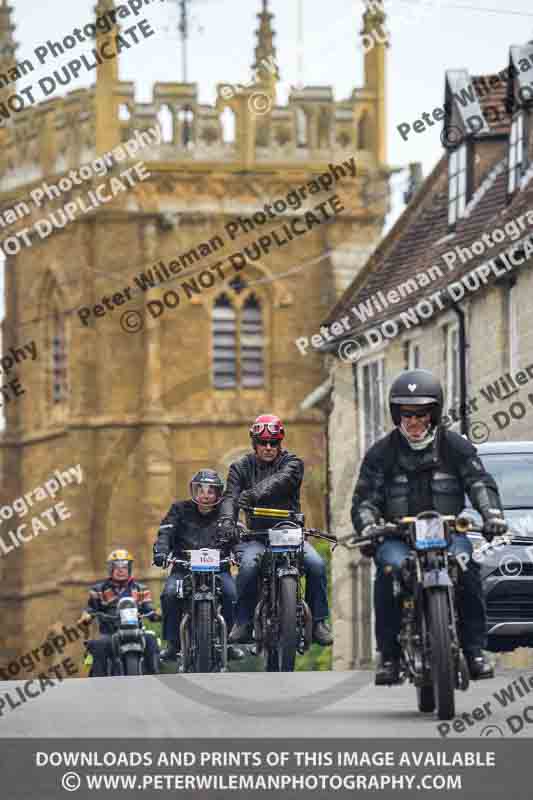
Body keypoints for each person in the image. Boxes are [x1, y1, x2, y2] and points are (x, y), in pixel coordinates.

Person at [351, 369, 507, 686]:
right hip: (398, 536)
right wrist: (368, 525)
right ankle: (390, 656)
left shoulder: (455, 446)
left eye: (421, 414)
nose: (413, 421)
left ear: (433, 414)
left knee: (467, 566)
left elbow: (479, 482)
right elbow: (365, 499)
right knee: (389, 570)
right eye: (406, 414)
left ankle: (475, 650)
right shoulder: (381, 453)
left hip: (449, 533)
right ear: (397, 415)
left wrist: (492, 514)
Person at [218, 414, 333, 647]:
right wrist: (228, 522)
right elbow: (230, 497)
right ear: (255, 444)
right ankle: (243, 622)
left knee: (317, 565)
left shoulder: (293, 463)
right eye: (263, 442)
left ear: (280, 444)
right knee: (248, 566)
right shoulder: (239, 468)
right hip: (257, 536)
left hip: (290, 534)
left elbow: (282, 480)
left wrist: (253, 494)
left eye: (274, 443)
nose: (269, 447)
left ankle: (319, 623)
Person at [153, 469, 242, 661]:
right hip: (183, 569)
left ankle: (230, 641)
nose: (205, 495)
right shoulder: (178, 509)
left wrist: (239, 553)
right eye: (200, 490)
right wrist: (160, 551)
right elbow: (165, 532)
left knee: (232, 594)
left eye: (210, 491)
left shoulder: (227, 513)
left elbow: (238, 537)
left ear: (218, 493)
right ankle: (172, 643)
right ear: (193, 491)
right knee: (168, 594)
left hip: (219, 568)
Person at [79, 549, 160, 676]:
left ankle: (154, 677)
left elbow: (148, 607)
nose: (121, 570)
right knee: (98, 646)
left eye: (124, 566)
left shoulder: (141, 589)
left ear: (129, 568)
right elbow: (90, 609)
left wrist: (156, 614)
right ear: (110, 569)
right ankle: (99, 685)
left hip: (137, 631)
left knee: (151, 640)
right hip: (109, 633)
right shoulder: (98, 589)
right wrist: (86, 616)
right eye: (116, 566)